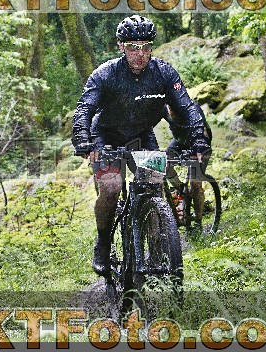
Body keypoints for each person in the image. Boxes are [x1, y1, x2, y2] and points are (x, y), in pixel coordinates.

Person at [71, 15, 211, 275]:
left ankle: (157, 247)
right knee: (111, 187)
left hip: (142, 136)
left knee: (154, 186)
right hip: (105, 136)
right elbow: (84, 109)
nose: (140, 54)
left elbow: (187, 107)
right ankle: (103, 244)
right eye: (133, 47)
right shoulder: (105, 74)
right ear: (120, 46)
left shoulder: (164, 73)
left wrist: (199, 139)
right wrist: (82, 138)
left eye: (146, 47)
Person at [163, 103, 213, 228]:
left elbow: (202, 130)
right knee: (163, 162)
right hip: (180, 141)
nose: (171, 112)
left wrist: (198, 149)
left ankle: (198, 222)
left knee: (195, 183)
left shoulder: (192, 108)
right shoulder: (163, 108)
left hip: (201, 140)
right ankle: (180, 189)